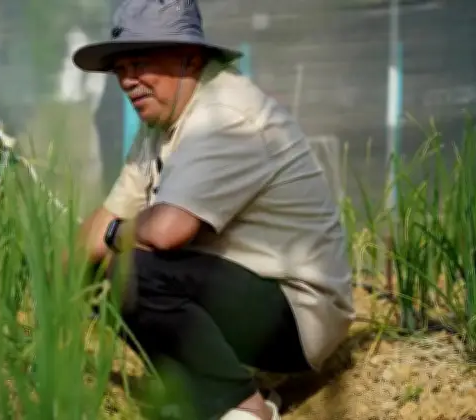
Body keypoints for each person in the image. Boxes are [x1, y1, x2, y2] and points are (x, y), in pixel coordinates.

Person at [69, 1, 356, 419]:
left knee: (131, 271)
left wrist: (115, 236)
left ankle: (244, 407)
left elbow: (167, 231)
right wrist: (46, 296)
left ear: (191, 56)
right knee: (99, 272)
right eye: (120, 69)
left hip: (299, 315)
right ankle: (214, 389)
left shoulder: (225, 115)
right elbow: (102, 221)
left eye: (141, 62)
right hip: (238, 293)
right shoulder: (159, 127)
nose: (129, 80)